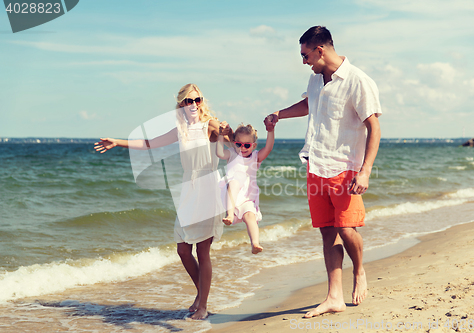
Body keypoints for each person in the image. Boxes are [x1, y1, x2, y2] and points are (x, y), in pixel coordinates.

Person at [264, 26, 382, 317]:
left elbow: (374, 127)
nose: (303, 61)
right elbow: (308, 104)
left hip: (345, 168)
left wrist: (365, 171)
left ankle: (359, 270)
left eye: (305, 55)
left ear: (320, 50)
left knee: (346, 228)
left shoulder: (357, 80)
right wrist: (280, 114)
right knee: (327, 234)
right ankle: (334, 297)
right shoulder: (315, 79)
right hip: (316, 165)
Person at [94, 83, 232, 320]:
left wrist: (227, 133)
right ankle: (201, 292)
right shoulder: (181, 130)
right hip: (188, 190)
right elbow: (149, 143)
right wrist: (118, 142)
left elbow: (229, 138)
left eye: (197, 100)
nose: (193, 105)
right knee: (183, 249)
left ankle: (203, 306)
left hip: (208, 188)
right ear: (181, 105)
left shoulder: (209, 124)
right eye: (188, 101)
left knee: (203, 250)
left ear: (202, 101)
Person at [216, 121, 275, 254]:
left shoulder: (255, 157)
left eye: (247, 145)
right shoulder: (232, 154)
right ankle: (230, 215)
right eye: (238, 144)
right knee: (235, 182)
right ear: (234, 143)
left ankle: (255, 243)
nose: (242, 148)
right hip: (230, 194)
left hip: (247, 197)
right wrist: (220, 135)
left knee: (250, 216)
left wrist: (270, 131)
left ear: (253, 146)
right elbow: (220, 153)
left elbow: (269, 148)